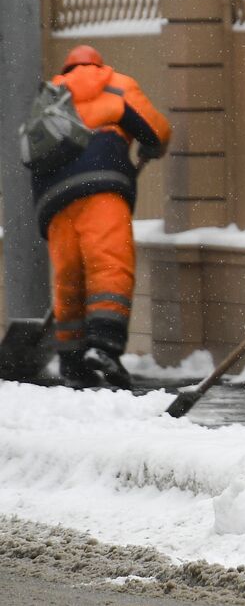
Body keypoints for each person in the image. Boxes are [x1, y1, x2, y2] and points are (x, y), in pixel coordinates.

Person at [31, 45, 170, 389]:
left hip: (54, 199)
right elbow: (157, 131)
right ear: (99, 64)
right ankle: (103, 347)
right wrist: (149, 148)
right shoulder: (117, 84)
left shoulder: (49, 95)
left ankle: (72, 359)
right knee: (109, 266)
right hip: (101, 188)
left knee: (69, 276)